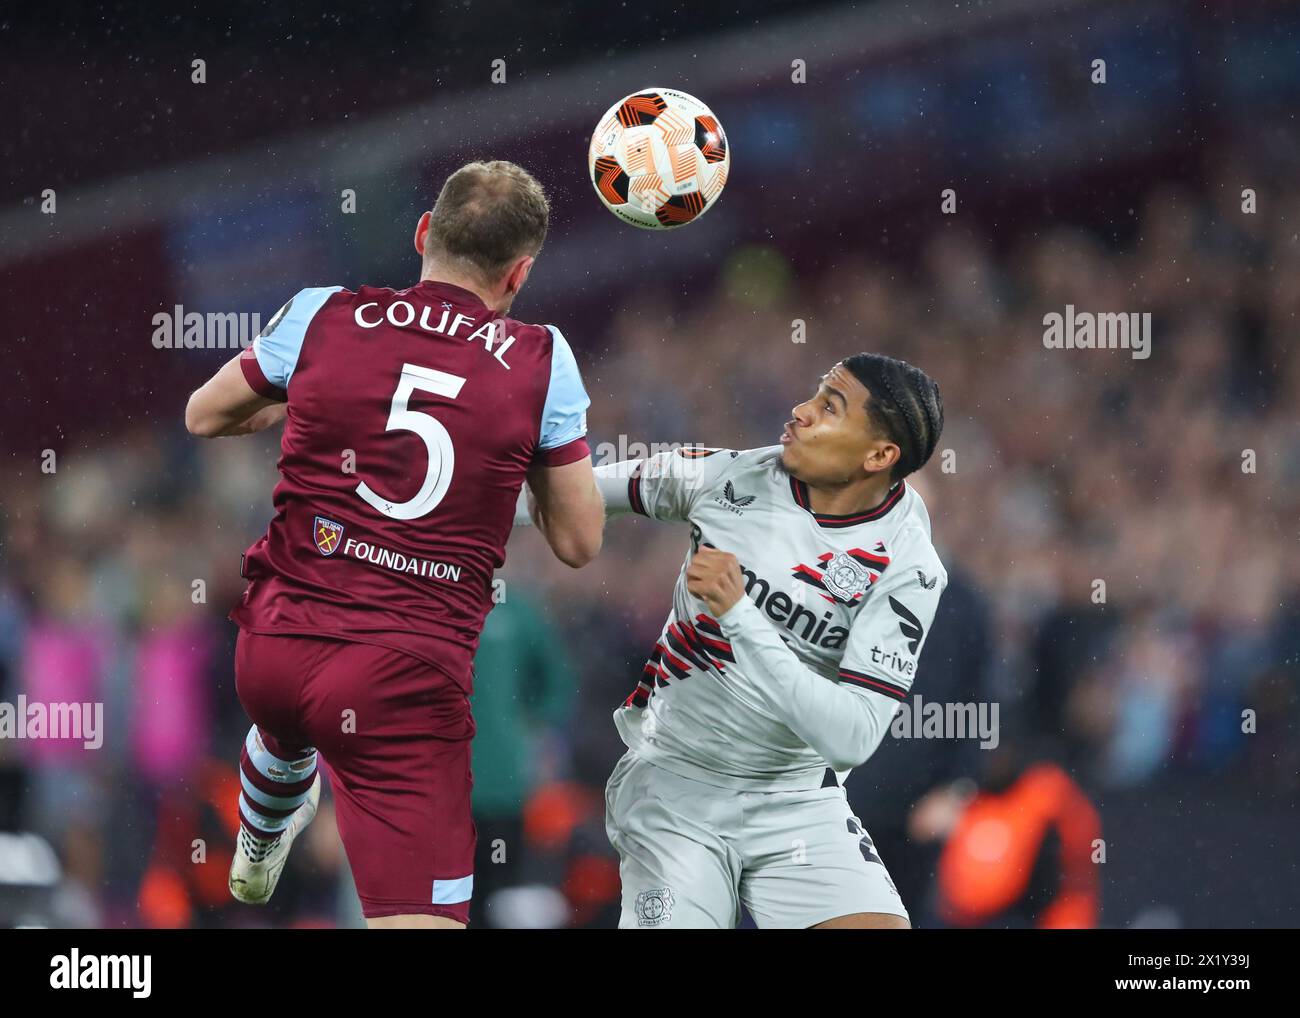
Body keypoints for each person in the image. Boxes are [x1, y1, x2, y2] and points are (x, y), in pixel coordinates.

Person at [185, 160, 605, 929]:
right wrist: (524, 478)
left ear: (422, 235)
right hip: (398, 685)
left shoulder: (323, 312)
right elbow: (579, 541)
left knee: (290, 721)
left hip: (272, 649)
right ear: (520, 274)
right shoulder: (544, 359)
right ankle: (279, 788)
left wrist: (304, 407)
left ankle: (266, 817)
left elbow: (203, 415)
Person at [516, 353, 946, 928]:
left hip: (796, 799)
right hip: (676, 786)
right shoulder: (726, 477)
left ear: (879, 455)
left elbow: (851, 735)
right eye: (816, 393)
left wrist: (740, 613)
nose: (801, 411)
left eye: (829, 407)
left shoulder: (908, 565)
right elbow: (568, 498)